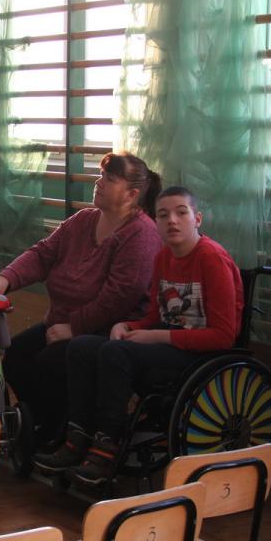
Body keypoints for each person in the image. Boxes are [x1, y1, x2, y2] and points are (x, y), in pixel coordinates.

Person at [45, 186, 244, 486]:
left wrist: (155, 337)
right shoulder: (163, 257)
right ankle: (78, 436)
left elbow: (223, 336)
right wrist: (128, 326)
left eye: (181, 213)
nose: (172, 220)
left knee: (116, 353)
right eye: (163, 215)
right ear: (156, 223)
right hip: (169, 343)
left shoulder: (211, 258)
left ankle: (107, 446)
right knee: (82, 346)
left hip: (201, 354)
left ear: (197, 219)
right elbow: (155, 315)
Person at [0, 152, 163, 450]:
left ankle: (61, 431)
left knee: (49, 363)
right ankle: (44, 425)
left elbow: (118, 297)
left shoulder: (141, 234)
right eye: (101, 176)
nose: (99, 183)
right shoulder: (84, 220)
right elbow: (43, 254)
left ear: (132, 194)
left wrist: (74, 328)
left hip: (108, 331)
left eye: (109, 179)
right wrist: (4, 280)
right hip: (61, 322)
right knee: (16, 356)